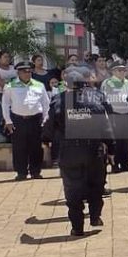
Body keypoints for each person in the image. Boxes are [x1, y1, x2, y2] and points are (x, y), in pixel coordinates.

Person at [47, 67, 113, 236]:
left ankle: (77, 227)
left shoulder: (57, 100)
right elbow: (106, 126)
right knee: (96, 186)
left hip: (69, 152)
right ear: (84, 84)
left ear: (66, 84)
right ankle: (95, 217)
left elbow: (48, 129)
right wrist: (111, 149)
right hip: (93, 151)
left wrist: (49, 142)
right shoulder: (95, 100)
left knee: (73, 190)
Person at [2, 61, 51, 180]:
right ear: (18, 72)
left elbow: (45, 103)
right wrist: (8, 121)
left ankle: (35, 171)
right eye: (24, 71)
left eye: (29, 71)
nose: (27, 73)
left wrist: (45, 119)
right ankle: (21, 172)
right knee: (19, 147)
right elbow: (5, 103)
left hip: (35, 120)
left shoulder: (39, 85)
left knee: (36, 147)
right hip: (18, 120)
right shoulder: (10, 85)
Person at [101, 63, 128, 173]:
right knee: (116, 141)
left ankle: (125, 163)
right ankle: (115, 164)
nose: (122, 72)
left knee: (127, 140)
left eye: (124, 70)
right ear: (113, 71)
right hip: (115, 114)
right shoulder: (108, 83)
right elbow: (105, 99)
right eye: (119, 70)